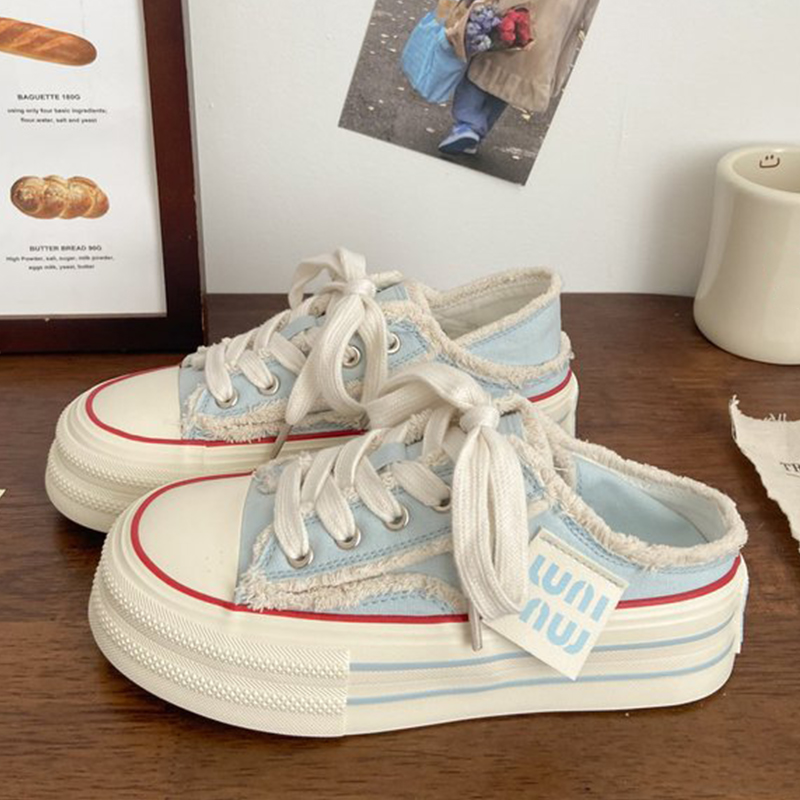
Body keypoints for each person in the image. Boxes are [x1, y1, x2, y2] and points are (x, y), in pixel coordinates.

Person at [439, 0, 599, 156]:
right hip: (551, 33)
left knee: (486, 62)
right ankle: (474, 133)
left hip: (515, 10)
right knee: (512, 82)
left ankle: (468, 125)